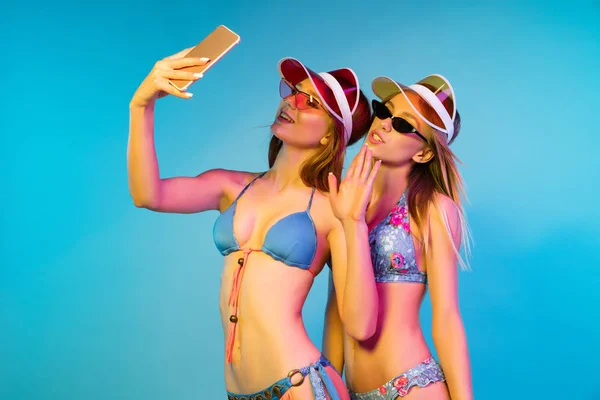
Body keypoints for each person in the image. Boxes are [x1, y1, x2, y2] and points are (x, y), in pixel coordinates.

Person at [127, 47, 373, 399]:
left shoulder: (334, 209)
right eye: (293, 92)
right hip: (238, 391)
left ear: (331, 135)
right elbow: (148, 195)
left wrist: (355, 224)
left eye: (311, 103)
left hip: (297, 385)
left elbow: (361, 325)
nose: (291, 102)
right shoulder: (230, 186)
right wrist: (142, 105)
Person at [324, 74, 473, 399]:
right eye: (383, 110)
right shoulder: (347, 201)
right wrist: (330, 390)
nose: (385, 124)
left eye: (404, 124)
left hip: (413, 387)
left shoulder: (433, 208)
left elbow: (446, 316)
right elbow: (336, 309)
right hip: (353, 391)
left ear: (423, 154)